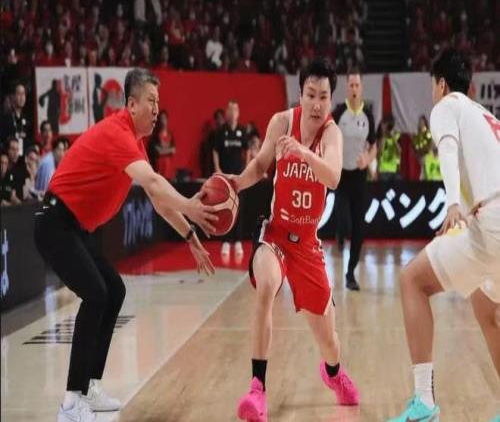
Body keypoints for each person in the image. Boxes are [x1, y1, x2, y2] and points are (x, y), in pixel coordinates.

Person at [34, 68, 217, 422]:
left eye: (158, 102)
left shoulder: (134, 141)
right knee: (96, 294)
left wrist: (190, 234)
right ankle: (70, 403)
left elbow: (157, 199)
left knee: (113, 291)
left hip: (76, 228)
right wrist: (190, 205)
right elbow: (154, 182)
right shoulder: (118, 134)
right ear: (131, 104)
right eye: (151, 101)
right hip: (55, 224)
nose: (157, 109)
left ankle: (90, 387)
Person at [230, 58, 359, 422]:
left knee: (329, 342)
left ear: (331, 99)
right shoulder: (281, 122)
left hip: (307, 245)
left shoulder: (331, 134)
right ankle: (257, 390)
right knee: (266, 286)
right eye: (311, 95)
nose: (317, 104)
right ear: (300, 94)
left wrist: (302, 152)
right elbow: (260, 166)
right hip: (275, 235)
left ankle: (333, 372)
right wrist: (234, 184)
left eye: (324, 96)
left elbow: (333, 177)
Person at [388, 49, 500, 422]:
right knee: (486, 308)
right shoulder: (487, 116)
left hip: (491, 223)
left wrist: (453, 202)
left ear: (440, 84)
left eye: (432, 86)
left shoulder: (446, 106)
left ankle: (424, 402)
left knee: (412, 281)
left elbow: (447, 150)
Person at [332, 67, 377, 290]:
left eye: (357, 85)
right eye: (351, 85)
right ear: (346, 87)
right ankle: (340, 235)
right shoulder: (339, 112)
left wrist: (367, 159)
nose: (354, 88)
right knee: (343, 219)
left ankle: (350, 273)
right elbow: (328, 138)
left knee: (359, 227)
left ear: (361, 87)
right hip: (341, 175)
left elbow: (374, 145)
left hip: (359, 177)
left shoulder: (368, 115)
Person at [213, 100, 249, 258]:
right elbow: (215, 151)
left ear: (238, 113)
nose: (232, 113)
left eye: (235, 110)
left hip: (239, 177)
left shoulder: (242, 131)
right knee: (225, 209)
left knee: (238, 208)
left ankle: (238, 241)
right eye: (230, 110)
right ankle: (226, 242)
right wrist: (217, 169)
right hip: (225, 177)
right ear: (226, 113)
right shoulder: (221, 131)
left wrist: (247, 168)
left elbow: (247, 150)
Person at [147, 110, 176, 180]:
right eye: (161, 119)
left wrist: (162, 150)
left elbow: (173, 150)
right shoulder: (155, 136)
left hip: (168, 171)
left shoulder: (170, 136)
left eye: (164, 118)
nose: (163, 121)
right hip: (158, 169)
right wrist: (168, 150)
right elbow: (157, 152)